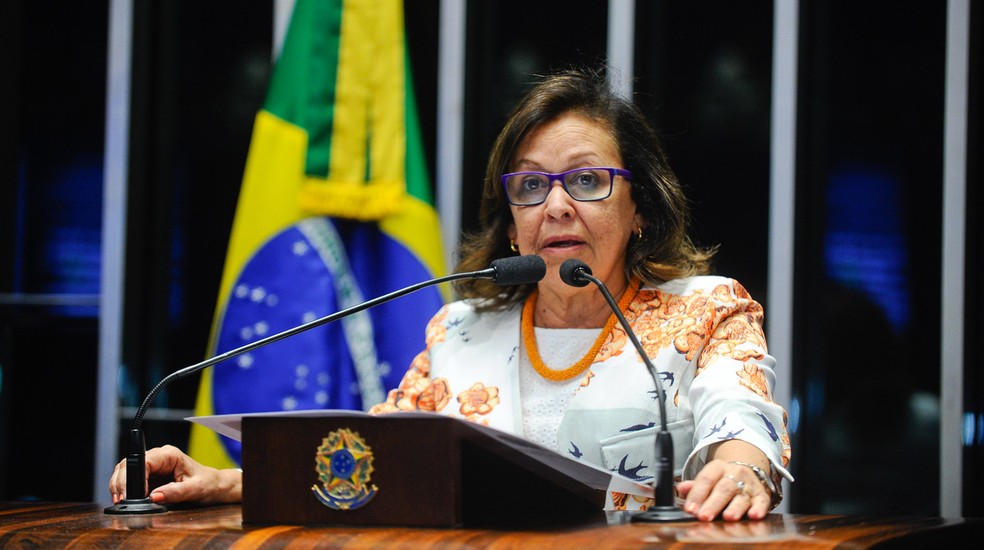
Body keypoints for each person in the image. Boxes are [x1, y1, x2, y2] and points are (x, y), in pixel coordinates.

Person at [110, 66, 792, 522]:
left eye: (587, 181)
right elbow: (375, 463)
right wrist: (224, 482)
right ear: (513, 224)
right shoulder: (460, 332)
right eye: (531, 185)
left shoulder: (706, 310)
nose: (556, 206)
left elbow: (742, 419)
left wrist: (740, 469)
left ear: (639, 206)